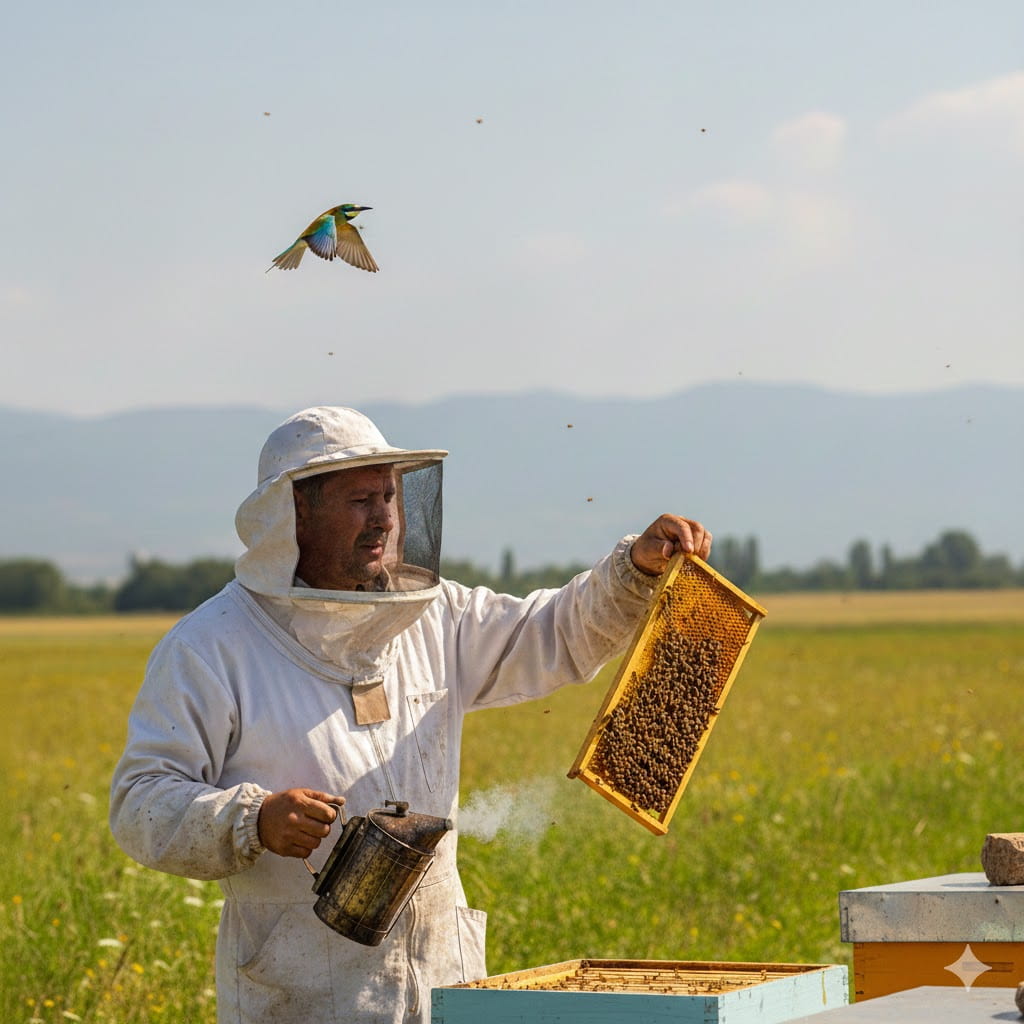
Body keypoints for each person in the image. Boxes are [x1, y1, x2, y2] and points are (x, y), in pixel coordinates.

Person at [109, 405, 712, 1024]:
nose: (384, 519)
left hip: (439, 981)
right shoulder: (212, 646)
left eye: (389, 497)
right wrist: (254, 818)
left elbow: (548, 634)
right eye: (360, 500)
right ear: (296, 514)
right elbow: (140, 801)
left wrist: (632, 573)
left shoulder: (432, 613)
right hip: (301, 996)